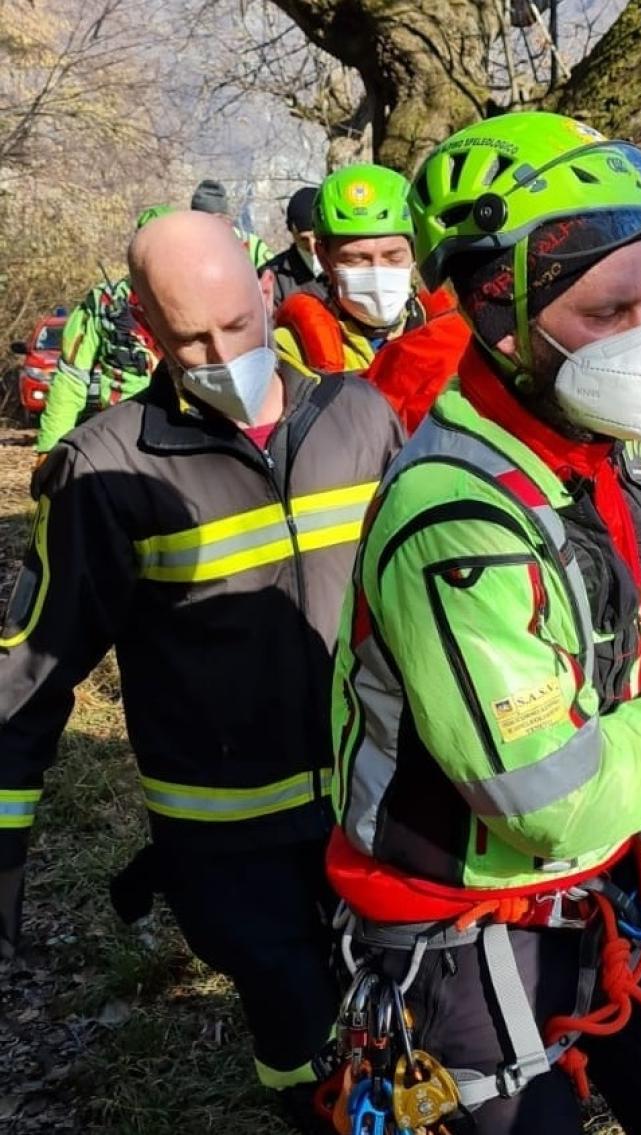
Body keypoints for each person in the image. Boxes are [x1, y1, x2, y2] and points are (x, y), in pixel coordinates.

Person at [324, 111, 641, 1135]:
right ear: (502, 318)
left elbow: (625, 625)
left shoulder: (587, 451)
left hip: (602, 894)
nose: (640, 342)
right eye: (606, 313)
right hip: (463, 929)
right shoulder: (455, 525)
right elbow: (550, 799)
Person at [0, 210, 405, 1129]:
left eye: (237, 324)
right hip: (230, 838)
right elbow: (31, 669)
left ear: (270, 293)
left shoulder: (362, 417)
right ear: (147, 329)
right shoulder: (106, 468)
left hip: (377, 802)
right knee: (304, 1051)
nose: (223, 352)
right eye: (191, 338)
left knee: (408, 1023)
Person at [273, 163, 453, 375]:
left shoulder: (452, 334)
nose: (378, 273)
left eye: (393, 257)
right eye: (356, 259)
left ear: (415, 252)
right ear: (324, 259)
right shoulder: (291, 351)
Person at [33, 205, 170, 455]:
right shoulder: (103, 302)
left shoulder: (202, 299)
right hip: (121, 437)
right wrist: (50, 450)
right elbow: (71, 378)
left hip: (184, 436)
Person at [260, 186, 326, 308]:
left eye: (318, 238)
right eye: (304, 239)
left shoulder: (350, 263)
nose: (312, 248)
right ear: (292, 232)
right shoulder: (274, 277)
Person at [191, 178, 274, 269]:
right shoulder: (184, 247)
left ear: (226, 219)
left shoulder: (252, 247)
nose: (209, 228)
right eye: (201, 222)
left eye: (215, 221)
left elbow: (273, 277)